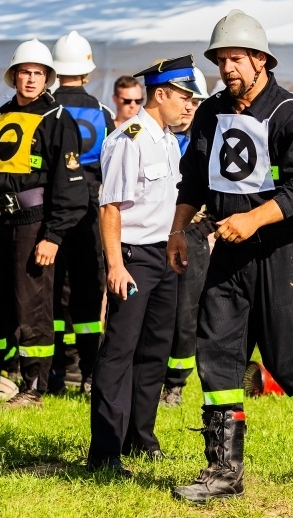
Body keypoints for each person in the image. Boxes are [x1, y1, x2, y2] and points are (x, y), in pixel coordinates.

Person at [168, 10, 293, 503]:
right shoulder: (211, 113)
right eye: (221, 59)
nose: (227, 67)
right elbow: (193, 177)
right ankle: (223, 474)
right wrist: (178, 230)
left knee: (291, 365)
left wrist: (253, 219)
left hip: (284, 254)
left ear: (260, 60)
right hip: (226, 254)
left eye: (236, 58)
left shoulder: (291, 114)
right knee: (216, 359)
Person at [87, 55, 198, 477]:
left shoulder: (168, 139)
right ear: (161, 93)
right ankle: (106, 451)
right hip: (131, 257)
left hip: (162, 255)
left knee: (154, 351)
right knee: (119, 352)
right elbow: (110, 207)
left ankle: (140, 438)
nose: (190, 106)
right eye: (185, 98)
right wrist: (115, 266)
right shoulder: (127, 138)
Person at [0, 38, 88, 407]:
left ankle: (32, 388)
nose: (31, 79)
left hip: (34, 225)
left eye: (38, 73)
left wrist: (53, 236)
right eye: (25, 72)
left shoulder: (58, 119)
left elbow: (69, 188)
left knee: (32, 306)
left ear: (48, 77)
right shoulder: (1, 115)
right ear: (14, 76)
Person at [48, 30, 115, 394]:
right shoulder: (103, 113)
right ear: (88, 72)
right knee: (89, 289)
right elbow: (113, 167)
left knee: (53, 287)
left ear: (55, 71)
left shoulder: (44, 109)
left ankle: (55, 372)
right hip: (90, 203)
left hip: (52, 204)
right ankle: (90, 372)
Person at [159, 67, 214, 407]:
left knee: (185, 314)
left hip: (193, 234)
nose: (190, 107)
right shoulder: (153, 137)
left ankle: (175, 384)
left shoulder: (206, 140)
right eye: (186, 99)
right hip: (153, 234)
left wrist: (209, 226)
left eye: (196, 101)